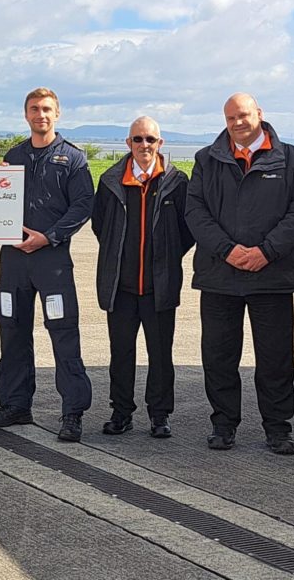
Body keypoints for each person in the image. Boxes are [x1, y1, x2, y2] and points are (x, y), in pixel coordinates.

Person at [185, 93, 294, 454]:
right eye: (230, 118)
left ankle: (278, 428)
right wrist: (227, 250)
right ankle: (223, 425)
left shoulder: (292, 160)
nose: (238, 122)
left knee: (275, 358)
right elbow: (195, 212)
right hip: (219, 276)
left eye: (243, 115)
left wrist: (266, 252)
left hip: (271, 276)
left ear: (259, 114)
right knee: (219, 356)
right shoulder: (206, 160)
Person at [0, 87, 94, 442]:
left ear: (57, 114)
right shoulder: (13, 155)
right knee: (12, 329)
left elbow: (82, 206)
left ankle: (72, 413)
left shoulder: (73, 159)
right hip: (14, 261)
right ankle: (16, 405)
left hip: (52, 261)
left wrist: (48, 236)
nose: (41, 115)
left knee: (63, 334)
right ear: (26, 114)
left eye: (47, 109)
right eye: (34, 109)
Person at [91, 116, 193, 439]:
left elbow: (186, 232)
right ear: (128, 144)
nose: (144, 145)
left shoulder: (177, 182)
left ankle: (160, 415)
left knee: (161, 354)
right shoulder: (110, 181)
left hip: (158, 287)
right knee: (121, 353)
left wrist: (165, 257)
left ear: (160, 144)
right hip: (120, 287)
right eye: (138, 139)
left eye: (151, 139)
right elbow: (100, 227)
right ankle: (121, 412)